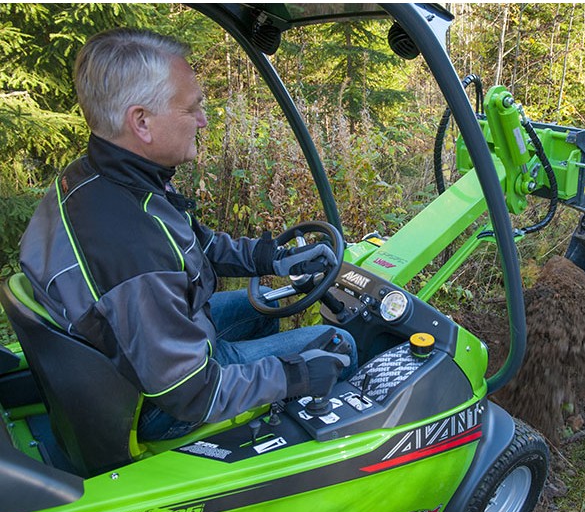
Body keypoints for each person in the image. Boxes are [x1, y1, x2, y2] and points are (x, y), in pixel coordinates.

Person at [19, 27, 356, 442]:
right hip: (158, 404)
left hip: (136, 353)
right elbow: (191, 393)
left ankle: (264, 406)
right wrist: (294, 376)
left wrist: (270, 257)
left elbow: (195, 242)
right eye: (191, 108)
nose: (202, 120)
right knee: (338, 345)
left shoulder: (105, 178)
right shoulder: (132, 248)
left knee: (262, 307)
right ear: (142, 122)